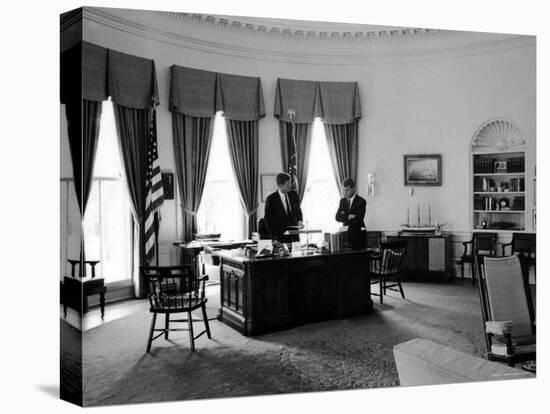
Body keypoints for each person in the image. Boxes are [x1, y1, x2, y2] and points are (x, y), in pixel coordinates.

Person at [264, 173, 304, 243]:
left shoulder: (294, 195)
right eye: (287, 184)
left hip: (295, 237)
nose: (290, 185)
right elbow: (268, 220)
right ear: (280, 185)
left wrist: (299, 221)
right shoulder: (271, 199)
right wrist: (273, 238)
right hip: (280, 238)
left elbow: (298, 211)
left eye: (290, 183)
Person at [335, 177, 367, 249]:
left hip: (358, 237)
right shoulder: (342, 201)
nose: (345, 193)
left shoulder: (361, 201)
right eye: (343, 190)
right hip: (345, 237)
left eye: (347, 190)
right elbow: (337, 217)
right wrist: (349, 216)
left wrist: (344, 217)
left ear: (353, 189)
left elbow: (359, 219)